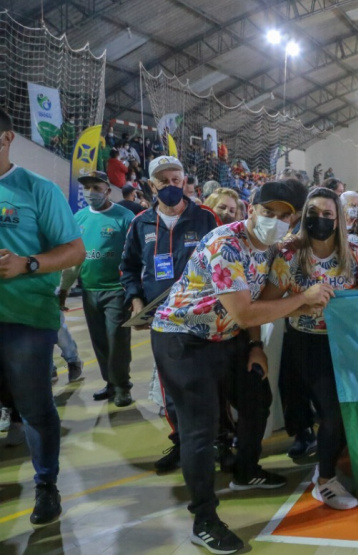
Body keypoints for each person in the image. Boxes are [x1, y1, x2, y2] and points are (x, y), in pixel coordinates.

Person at [150, 181, 314, 554]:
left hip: (229, 335)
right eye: (268, 212)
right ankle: (204, 520)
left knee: (256, 396)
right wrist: (302, 300)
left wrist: (256, 346)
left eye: (284, 216)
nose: (274, 221)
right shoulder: (225, 244)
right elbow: (245, 311)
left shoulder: (274, 249)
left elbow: (259, 301)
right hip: (184, 337)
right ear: (250, 209)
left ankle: (246, 470)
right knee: (201, 427)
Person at [264, 187, 358, 509]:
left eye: (328, 214)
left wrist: (347, 298)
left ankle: (332, 464)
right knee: (331, 412)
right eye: (314, 214)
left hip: (346, 341)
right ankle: (325, 479)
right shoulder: (290, 255)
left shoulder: (354, 251)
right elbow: (266, 304)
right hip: (307, 343)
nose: (320, 219)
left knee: (346, 409)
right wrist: (301, 305)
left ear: (339, 219)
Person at [0, 108, 87, 525]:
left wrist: (27, 264)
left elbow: (74, 250)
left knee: (35, 406)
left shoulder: (37, 189)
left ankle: (46, 484)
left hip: (26, 318)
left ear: (7, 139)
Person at [120, 155, 219, 472]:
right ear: (151, 185)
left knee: (208, 382)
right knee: (172, 386)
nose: (171, 185)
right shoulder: (141, 223)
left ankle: (215, 442)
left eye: (176, 180)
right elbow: (128, 268)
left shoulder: (206, 218)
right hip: (163, 321)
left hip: (203, 317)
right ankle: (182, 442)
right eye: (163, 181)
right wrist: (136, 301)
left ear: (184, 181)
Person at [60, 171, 135, 406]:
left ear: (108, 191)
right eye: (87, 188)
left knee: (116, 340)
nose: (90, 192)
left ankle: (122, 386)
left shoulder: (125, 217)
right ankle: (110, 383)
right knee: (100, 341)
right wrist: (64, 288)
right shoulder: (79, 218)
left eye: (96, 188)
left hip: (117, 290)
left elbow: (136, 255)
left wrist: (136, 292)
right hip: (89, 290)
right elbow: (74, 260)